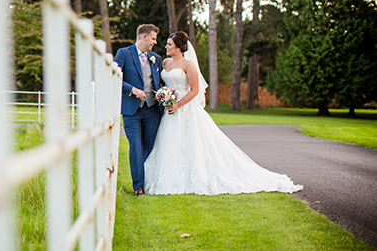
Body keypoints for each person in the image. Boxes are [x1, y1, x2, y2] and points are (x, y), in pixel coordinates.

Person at [144, 31, 303, 195]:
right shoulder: (165, 63)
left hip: (185, 110)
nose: (166, 46)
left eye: (169, 44)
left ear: (178, 47)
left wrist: (177, 104)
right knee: (170, 143)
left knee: (192, 144)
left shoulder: (188, 65)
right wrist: (164, 97)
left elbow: (195, 90)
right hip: (169, 112)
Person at [114, 24, 164, 196]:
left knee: (148, 147)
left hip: (152, 110)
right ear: (144, 37)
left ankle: (145, 179)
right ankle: (138, 187)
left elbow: (160, 82)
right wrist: (132, 90)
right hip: (132, 110)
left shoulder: (156, 58)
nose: (155, 42)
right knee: (135, 146)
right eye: (153, 38)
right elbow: (113, 76)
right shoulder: (124, 53)